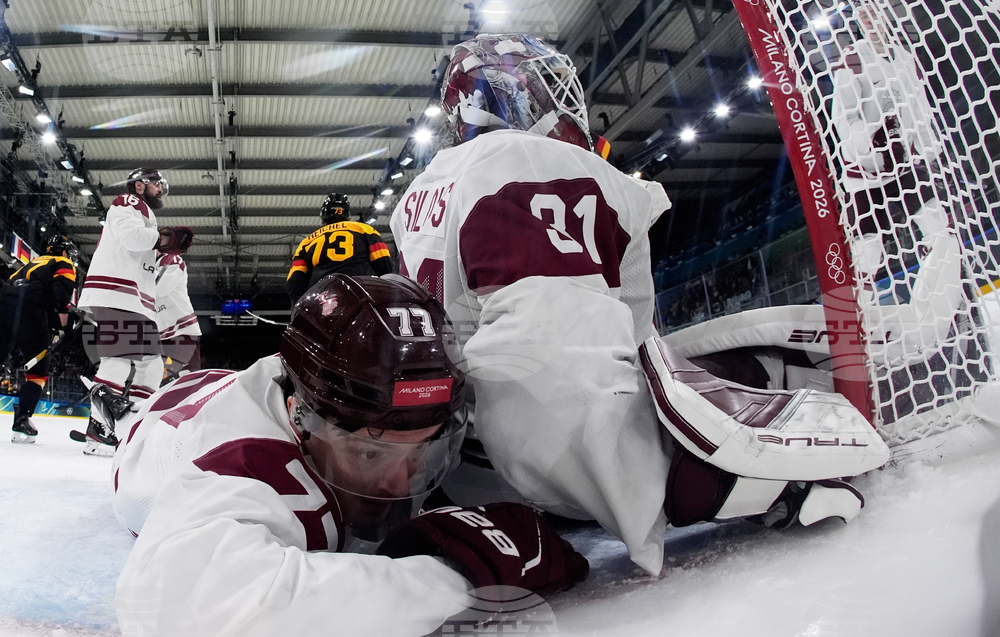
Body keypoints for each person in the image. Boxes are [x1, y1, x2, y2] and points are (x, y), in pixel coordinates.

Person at [390, 33, 890, 575]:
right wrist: (683, 484)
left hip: (469, 468)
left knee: (706, 346)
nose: (562, 100)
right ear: (512, 92)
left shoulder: (428, 188)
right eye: (544, 84)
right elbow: (541, 368)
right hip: (548, 465)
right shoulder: (525, 158)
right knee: (761, 362)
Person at [108, 274, 587, 637]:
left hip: (227, 384)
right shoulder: (241, 462)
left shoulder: (340, 402)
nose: (401, 485)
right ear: (302, 419)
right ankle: (114, 408)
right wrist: (456, 573)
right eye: (371, 454)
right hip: (158, 424)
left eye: (423, 453)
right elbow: (196, 627)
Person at [830, 2, 966, 363]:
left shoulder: (904, 59)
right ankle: (861, 325)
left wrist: (926, 148)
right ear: (858, 21)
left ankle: (946, 308)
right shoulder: (851, 62)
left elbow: (920, 107)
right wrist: (871, 141)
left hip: (909, 165)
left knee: (939, 228)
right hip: (868, 176)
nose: (872, 20)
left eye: (877, 12)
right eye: (864, 15)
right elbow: (843, 121)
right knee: (867, 251)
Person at [76, 166, 192, 455]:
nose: (160, 190)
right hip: (116, 293)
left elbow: (141, 249)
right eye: (156, 184)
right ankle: (98, 429)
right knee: (117, 362)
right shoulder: (128, 202)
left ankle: (133, 426)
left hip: (131, 298)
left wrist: (165, 246)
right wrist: (167, 238)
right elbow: (132, 238)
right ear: (139, 185)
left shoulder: (145, 213)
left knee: (151, 365)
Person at [0, 235, 79, 442]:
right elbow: (60, 294)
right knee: (38, 370)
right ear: (63, 251)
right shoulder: (63, 262)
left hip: (4, 305)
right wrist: (65, 326)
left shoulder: (30, 264)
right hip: (30, 310)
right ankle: (22, 419)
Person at [285, 192, 393, 304]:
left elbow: (294, 285)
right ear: (346, 213)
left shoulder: (307, 242)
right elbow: (385, 267)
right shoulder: (365, 229)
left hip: (322, 300)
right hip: (362, 295)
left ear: (323, 214)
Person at [153, 240, 201, 384]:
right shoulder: (148, 266)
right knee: (163, 381)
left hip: (181, 330)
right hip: (162, 333)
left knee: (186, 379)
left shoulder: (172, 260)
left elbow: (160, 290)